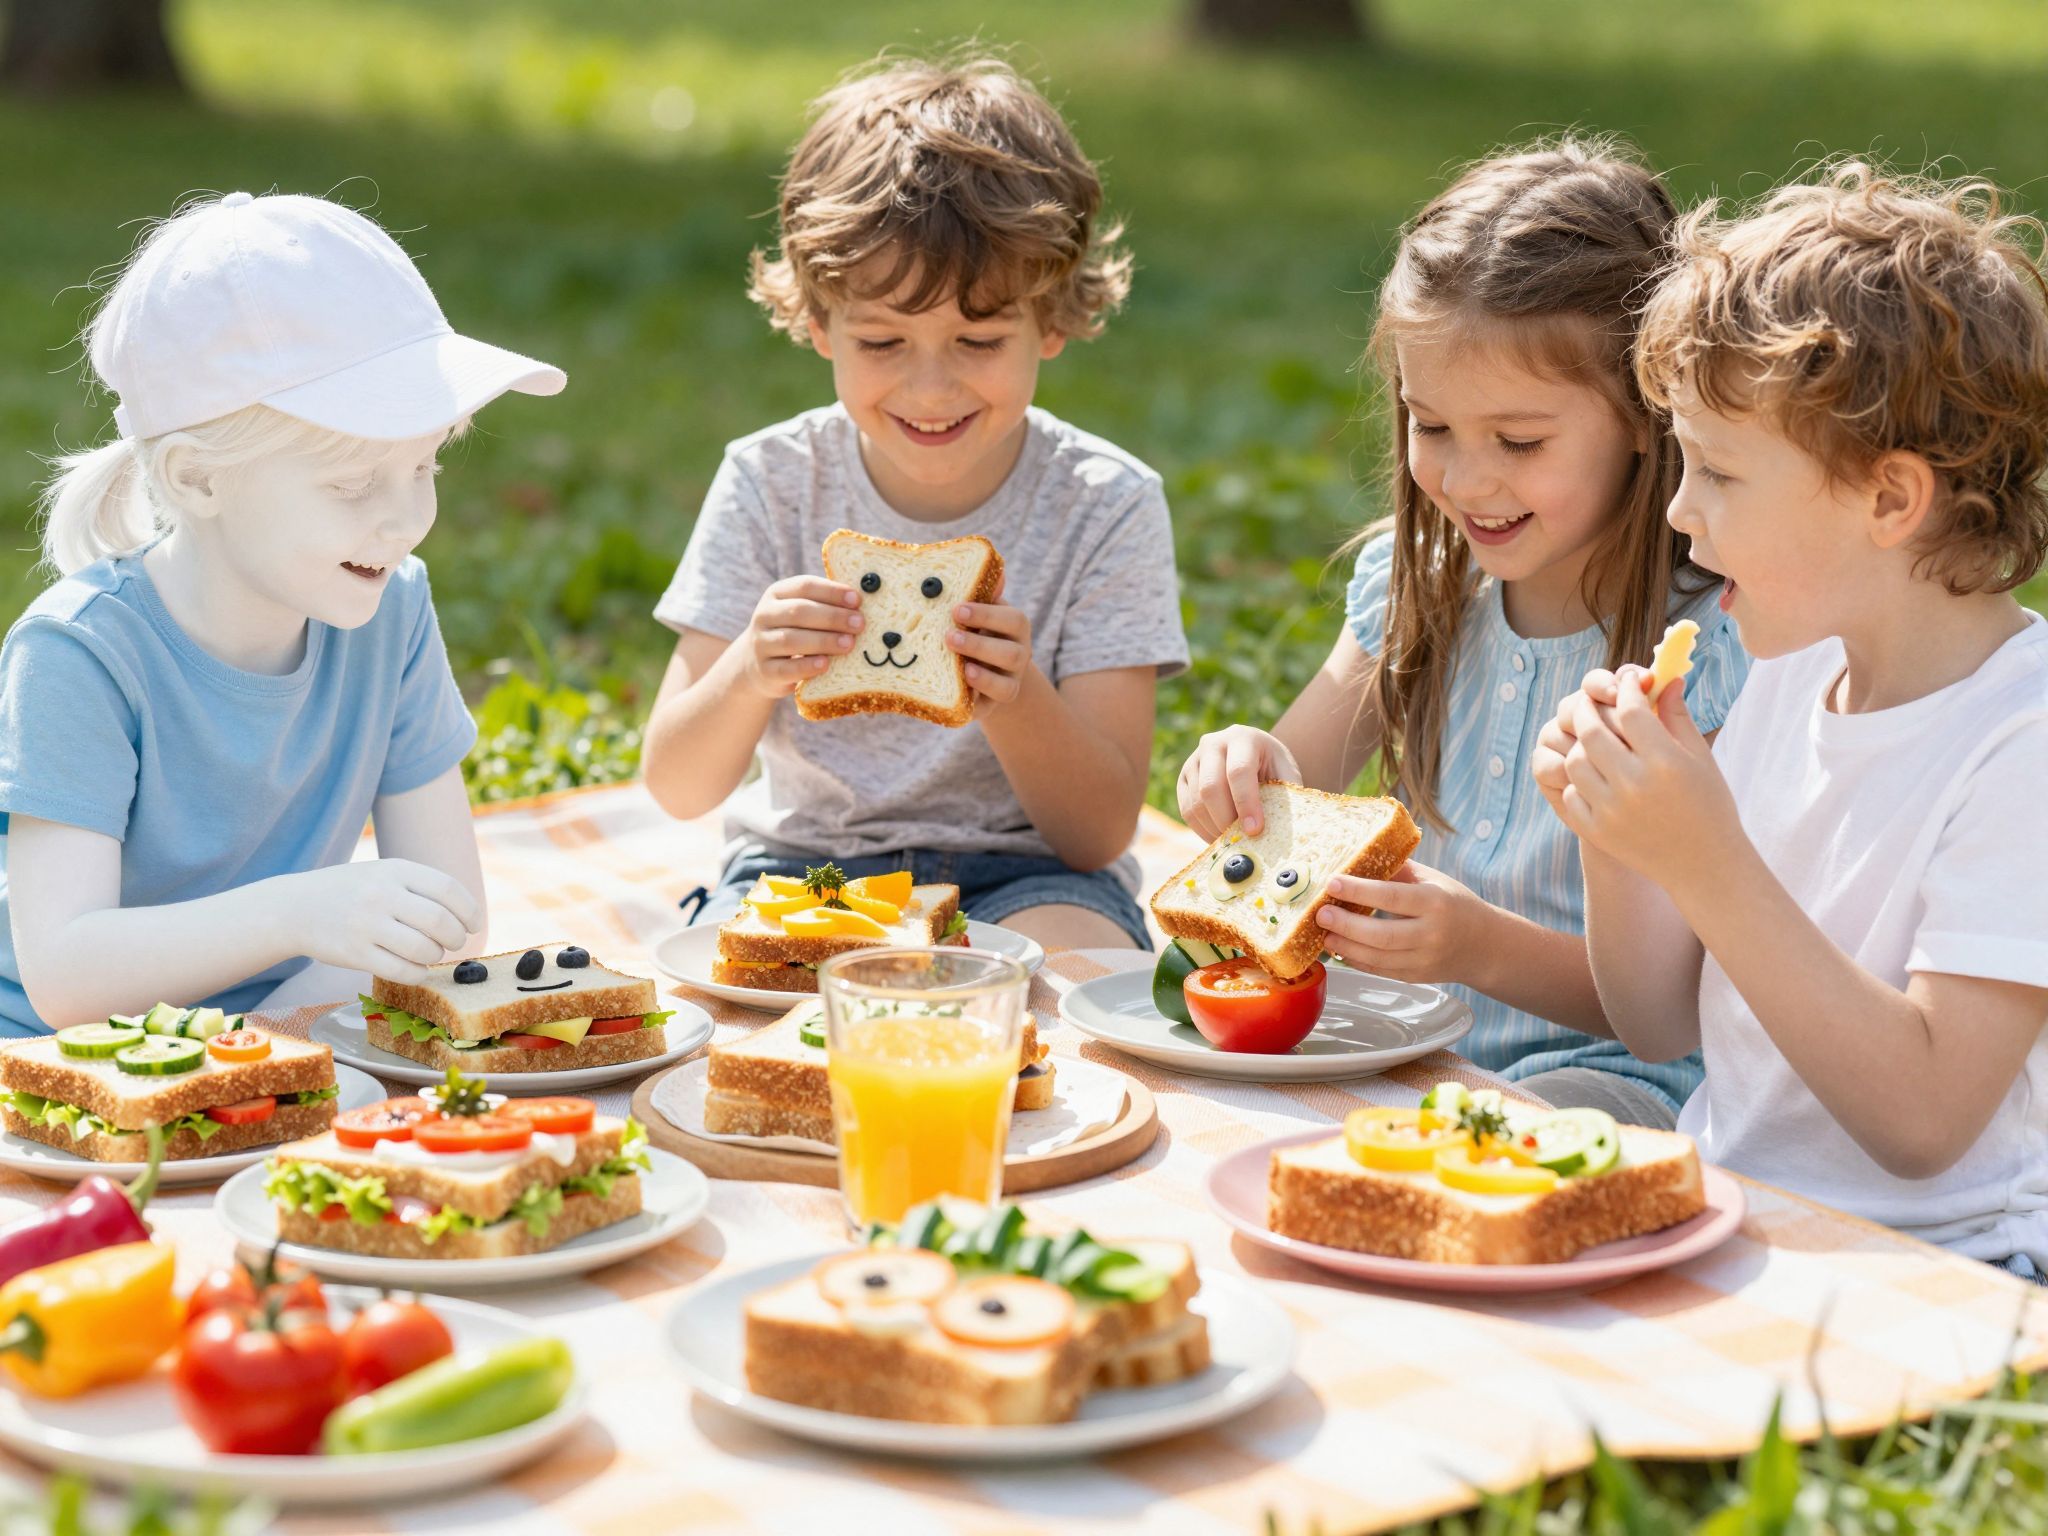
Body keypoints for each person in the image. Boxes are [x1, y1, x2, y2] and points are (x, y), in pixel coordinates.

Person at [1535, 164, 2048, 1275]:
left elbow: (1920, 1123)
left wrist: (1706, 858)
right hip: (1734, 1212)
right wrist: (1620, 838)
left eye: (1716, 472)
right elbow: (1657, 1023)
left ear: (1886, 500)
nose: (1675, 511)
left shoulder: (2023, 742)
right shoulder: (1786, 670)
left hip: (1949, 1264)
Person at [1179, 140, 1748, 1127]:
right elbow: (1291, 782)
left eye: (1518, 442)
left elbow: (1691, 1008)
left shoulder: (1708, 649)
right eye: (1429, 425)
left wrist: (1480, 948)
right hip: (1397, 1047)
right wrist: (1242, 765)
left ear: (1643, 414)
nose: (1467, 480)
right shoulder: (1423, 583)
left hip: (1617, 1083)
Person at [644, 56, 1188, 950]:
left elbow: (1098, 830)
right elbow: (677, 784)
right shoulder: (770, 479)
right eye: (883, 340)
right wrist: (751, 666)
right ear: (820, 325)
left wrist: (1016, 699)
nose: (930, 388)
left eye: (978, 339)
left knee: (1085, 1003)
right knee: (770, 1025)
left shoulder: (1107, 503)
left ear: (1052, 322)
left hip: (1032, 873)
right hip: (807, 862)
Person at [0, 191, 564, 1034]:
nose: (404, 520)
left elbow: (451, 919)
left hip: (282, 1034)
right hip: (58, 1071)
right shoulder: (78, 654)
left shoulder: (391, 608)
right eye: (351, 484)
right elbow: (67, 978)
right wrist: (297, 915)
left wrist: (292, 1028)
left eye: (427, 466)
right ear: (195, 478)